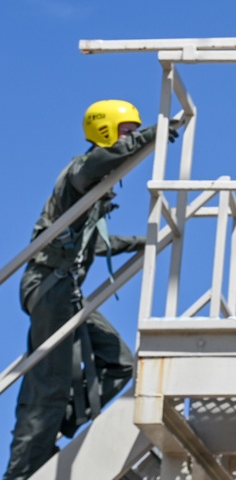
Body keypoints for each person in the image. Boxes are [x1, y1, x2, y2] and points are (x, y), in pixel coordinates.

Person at [3, 101, 163, 480]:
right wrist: (151, 137)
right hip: (50, 283)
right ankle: (23, 470)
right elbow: (97, 163)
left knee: (120, 363)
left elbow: (92, 243)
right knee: (50, 386)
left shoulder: (95, 193)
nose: (131, 137)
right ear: (106, 131)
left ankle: (53, 427)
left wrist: (139, 242)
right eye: (126, 130)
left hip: (66, 290)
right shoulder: (83, 171)